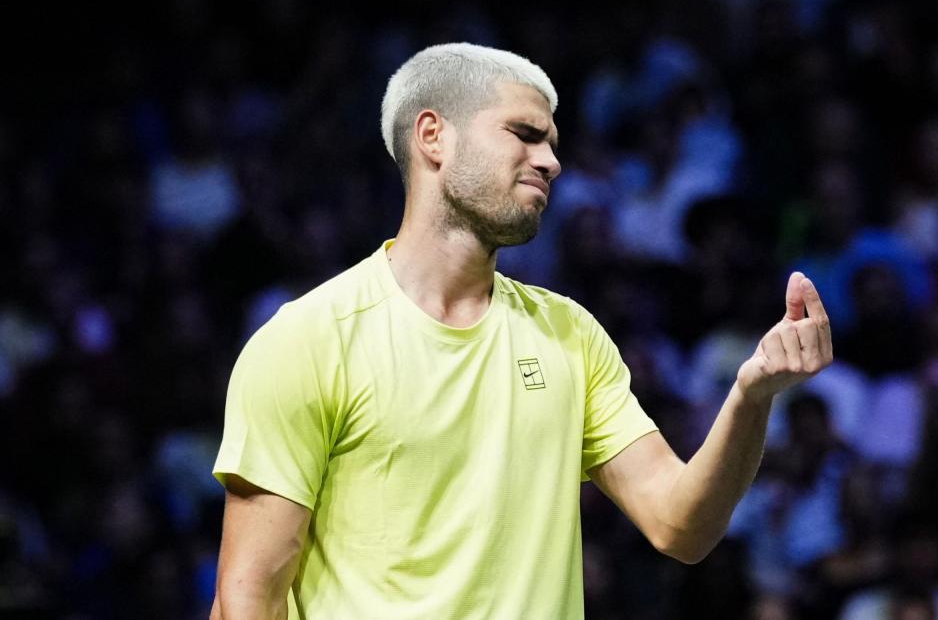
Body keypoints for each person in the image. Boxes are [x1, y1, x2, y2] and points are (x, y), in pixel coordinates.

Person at [209, 43, 834, 619]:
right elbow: (247, 595)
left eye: (553, 143)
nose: (552, 162)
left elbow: (682, 527)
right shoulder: (309, 340)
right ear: (434, 137)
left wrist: (752, 398)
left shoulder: (569, 335)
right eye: (525, 135)